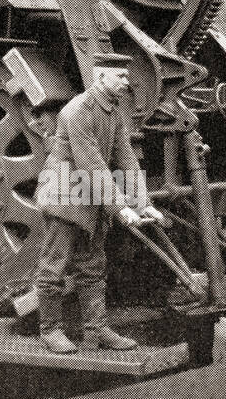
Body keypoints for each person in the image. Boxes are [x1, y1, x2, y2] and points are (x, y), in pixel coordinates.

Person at [33, 52, 163, 354]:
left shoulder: (115, 110)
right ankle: (50, 330)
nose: (126, 81)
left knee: (92, 265)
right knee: (54, 267)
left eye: (126, 76)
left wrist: (143, 203)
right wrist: (120, 208)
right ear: (101, 77)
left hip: (90, 194)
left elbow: (125, 157)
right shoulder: (77, 111)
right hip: (64, 194)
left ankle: (96, 329)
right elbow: (91, 163)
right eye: (120, 76)